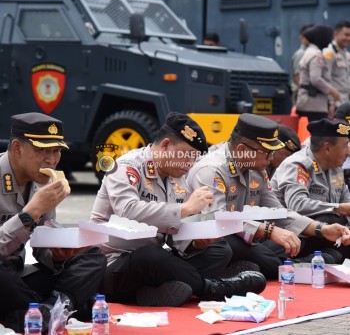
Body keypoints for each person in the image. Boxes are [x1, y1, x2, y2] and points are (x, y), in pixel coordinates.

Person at [90, 112, 266, 307]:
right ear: (165, 145)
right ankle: (213, 288)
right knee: (151, 256)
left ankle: (155, 292)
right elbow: (128, 210)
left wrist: (196, 243)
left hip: (158, 260)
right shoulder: (125, 166)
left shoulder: (178, 176)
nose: (190, 165)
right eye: (186, 157)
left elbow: (175, 235)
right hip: (115, 263)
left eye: (194, 158)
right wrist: (185, 208)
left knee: (220, 249)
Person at [186, 113, 350, 279]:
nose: (271, 158)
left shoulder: (257, 170)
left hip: (247, 235)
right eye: (266, 152)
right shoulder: (211, 170)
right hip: (208, 239)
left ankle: (249, 269)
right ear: (243, 150)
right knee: (260, 257)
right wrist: (269, 231)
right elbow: (220, 219)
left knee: (297, 238)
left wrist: (322, 229)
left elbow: (278, 212)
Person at [0, 113, 107, 333]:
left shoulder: (45, 182)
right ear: (17, 148)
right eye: (42, 150)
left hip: (19, 276)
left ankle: (47, 310)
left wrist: (57, 255)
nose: (51, 160)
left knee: (92, 256)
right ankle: (63, 307)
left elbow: (41, 247)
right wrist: (29, 213)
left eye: (56, 150)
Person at [271, 118, 350, 261]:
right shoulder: (297, 165)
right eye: (345, 146)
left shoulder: (336, 168)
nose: (348, 151)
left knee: (339, 232)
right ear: (327, 148)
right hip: (288, 235)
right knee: (330, 219)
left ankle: (322, 259)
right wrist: (338, 208)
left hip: (322, 235)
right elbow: (297, 205)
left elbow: (347, 206)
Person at [296, 24, 340, 122]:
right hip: (313, 105)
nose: (329, 42)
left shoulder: (309, 52)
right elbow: (315, 79)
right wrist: (332, 91)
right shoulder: (316, 55)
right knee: (318, 135)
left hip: (308, 103)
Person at [323, 20, 350, 105]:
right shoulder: (329, 53)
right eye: (346, 35)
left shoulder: (346, 54)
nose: (348, 38)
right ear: (336, 34)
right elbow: (326, 79)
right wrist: (331, 103)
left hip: (346, 102)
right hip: (335, 103)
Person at [290, 24, 314, 104]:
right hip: (303, 97)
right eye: (308, 35)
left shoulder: (312, 53)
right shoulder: (301, 54)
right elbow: (298, 78)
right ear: (301, 37)